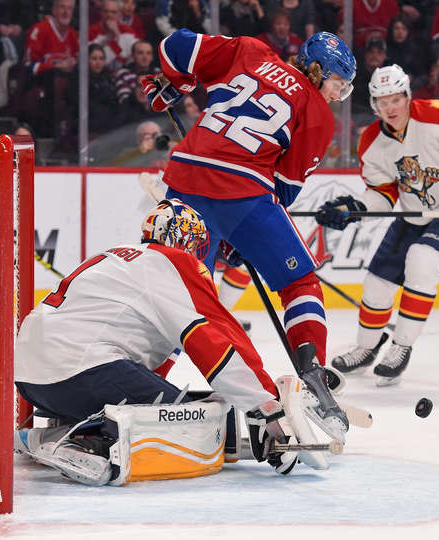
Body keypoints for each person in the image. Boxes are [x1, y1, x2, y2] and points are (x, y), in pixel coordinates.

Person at [14, 199, 332, 485]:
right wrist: (265, 407)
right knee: (194, 424)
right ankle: (85, 443)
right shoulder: (174, 263)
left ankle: (59, 429)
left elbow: (150, 373)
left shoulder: (114, 257)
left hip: (31, 380)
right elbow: (218, 340)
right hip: (83, 368)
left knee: (170, 406)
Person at [140, 29, 357, 433]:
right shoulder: (318, 114)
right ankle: (311, 376)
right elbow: (284, 188)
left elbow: (174, 45)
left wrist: (177, 86)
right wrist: (241, 238)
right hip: (245, 191)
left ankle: (139, 387)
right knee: (299, 282)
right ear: (315, 69)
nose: (335, 95)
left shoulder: (251, 51)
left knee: (177, 297)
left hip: (185, 177)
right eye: (336, 84)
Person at [316, 64, 439, 385]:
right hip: (413, 214)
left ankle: (401, 346)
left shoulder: (436, 116)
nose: (390, 108)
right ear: (374, 105)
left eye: (395, 99)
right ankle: (367, 347)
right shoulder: (372, 141)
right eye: (382, 102)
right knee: (377, 283)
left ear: (407, 96)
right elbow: (383, 194)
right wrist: (353, 208)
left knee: (422, 259)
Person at [24, 0, 78, 77]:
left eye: (69, 8)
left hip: (66, 84)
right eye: (62, 7)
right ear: (54, 10)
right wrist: (56, 67)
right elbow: (28, 65)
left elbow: (77, 62)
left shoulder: (73, 34)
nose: (66, 12)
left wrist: (75, 63)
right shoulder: (39, 30)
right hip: (40, 83)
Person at [89, 0, 139, 71]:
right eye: (106, 11)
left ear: (120, 15)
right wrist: (113, 38)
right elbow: (90, 58)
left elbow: (130, 59)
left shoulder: (129, 32)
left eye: (113, 12)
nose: (109, 15)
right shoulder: (90, 31)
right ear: (101, 13)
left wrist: (116, 34)